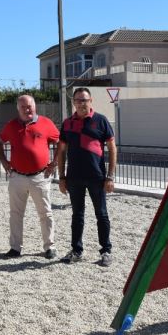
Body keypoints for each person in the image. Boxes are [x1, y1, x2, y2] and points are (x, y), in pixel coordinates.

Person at [0, 95, 60, 259]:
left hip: (40, 176)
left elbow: (60, 142)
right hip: (17, 177)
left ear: (35, 106)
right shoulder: (11, 125)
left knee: (45, 213)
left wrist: (55, 162)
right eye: (23, 107)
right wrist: (4, 161)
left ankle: (50, 247)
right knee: (16, 213)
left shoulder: (46, 123)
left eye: (29, 106)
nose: (27, 109)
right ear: (18, 108)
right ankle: (15, 248)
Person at [57, 87, 117, 266]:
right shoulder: (67, 123)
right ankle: (76, 250)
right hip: (74, 178)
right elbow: (61, 152)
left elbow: (112, 148)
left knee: (102, 214)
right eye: (78, 100)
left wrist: (110, 176)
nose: (81, 103)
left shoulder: (101, 120)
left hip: (97, 177)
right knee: (77, 215)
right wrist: (61, 177)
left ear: (91, 101)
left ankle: (106, 251)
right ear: (73, 102)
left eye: (85, 100)